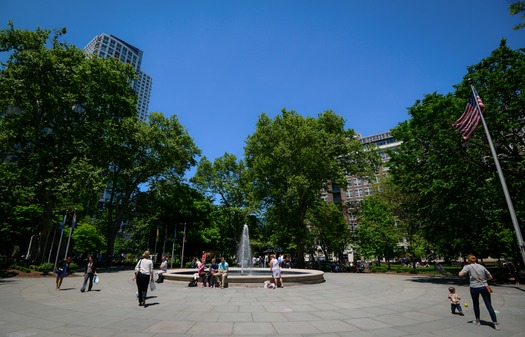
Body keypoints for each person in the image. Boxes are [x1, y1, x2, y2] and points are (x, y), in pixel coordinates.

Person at [459, 254, 499, 330]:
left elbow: (460, 274)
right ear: (475, 259)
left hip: (474, 288)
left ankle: (477, 320)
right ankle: (495, 323)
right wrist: (484, 280)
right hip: (484, 287)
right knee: (489, 305)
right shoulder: (481, 266)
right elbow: (490, 277)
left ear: (468, 260)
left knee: (476, 304)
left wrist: (464, 268)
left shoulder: (468, 267)